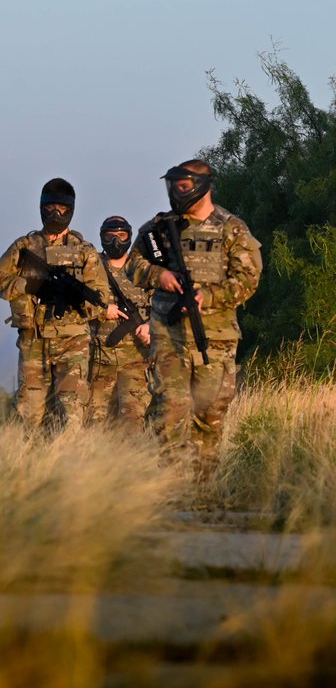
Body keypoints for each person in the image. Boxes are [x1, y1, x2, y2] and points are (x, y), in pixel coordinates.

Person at [125, 159, 262, 476]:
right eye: (173, 186)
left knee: (210, 412)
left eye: (182, 186)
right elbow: (132, 263)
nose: (176, 192)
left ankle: (203, 486)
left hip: (215, 337)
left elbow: (248, 279)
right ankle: (172, 484)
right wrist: (158, 275)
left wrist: (208, 297)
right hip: (168, 332)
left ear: (202, 185)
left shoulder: (231, 228)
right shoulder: (160, 227)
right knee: (170, 406)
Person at [0, 178, 122, 432]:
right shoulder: (25, 246)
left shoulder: (84, 251)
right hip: (34, 342)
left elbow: (101, 299)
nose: (56, 213)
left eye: (61, 208)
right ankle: (33, 469)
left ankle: (67, 468)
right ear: (41, 207)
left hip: (73, 342)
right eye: (50, 208)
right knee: (30, 415)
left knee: (71, 413)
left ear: (70, 209)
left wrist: (75, 298)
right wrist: (31, 286)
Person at [87, 216, 153, 430]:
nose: (116, 241)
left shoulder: (143, 270)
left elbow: (165, 306)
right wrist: (101, 310)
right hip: (99, 362)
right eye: (110, 236)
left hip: (136, 361)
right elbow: (76, 302)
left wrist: (152, 326)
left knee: (132, 425)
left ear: (129, 237)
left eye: (121, 235)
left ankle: (131, 464)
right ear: (102, 237)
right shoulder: (91, 270)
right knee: (96, 427)